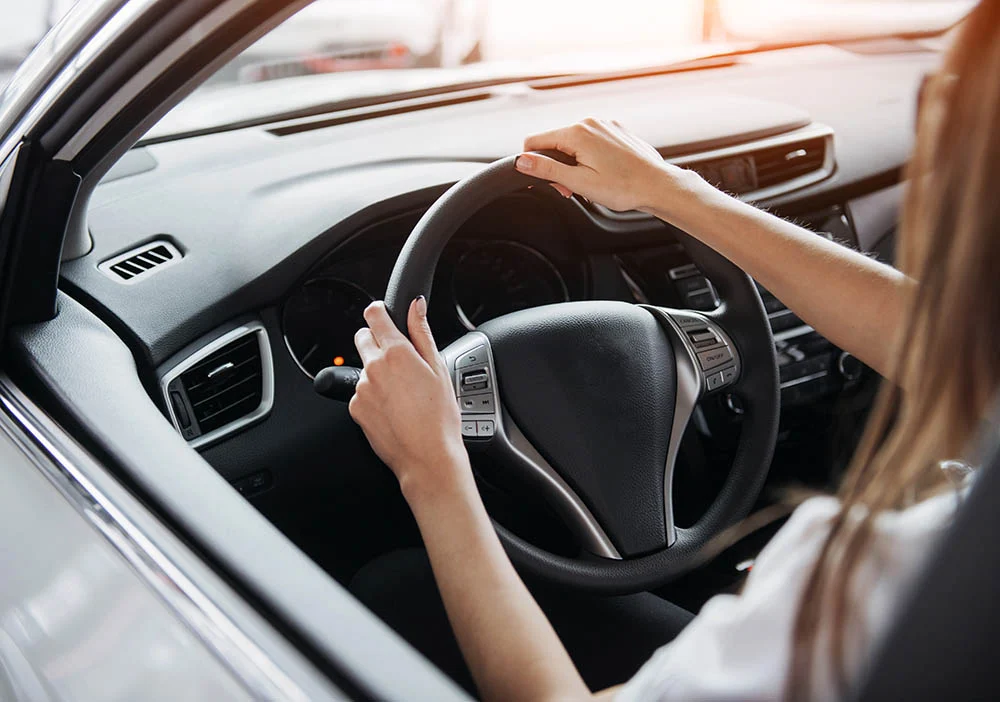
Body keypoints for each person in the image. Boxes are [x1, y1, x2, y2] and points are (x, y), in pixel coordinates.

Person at [346, 1, 999, 699]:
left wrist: (433, 468)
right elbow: (949, 344)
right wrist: (671, 192)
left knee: (395, 590)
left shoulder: (867, 584)